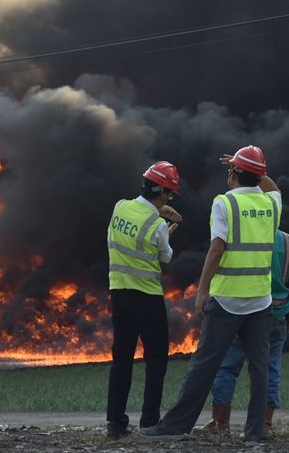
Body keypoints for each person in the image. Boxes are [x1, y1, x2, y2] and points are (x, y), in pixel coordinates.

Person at [140, 145, 281, 444]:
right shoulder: (271, 204)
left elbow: (217, 248)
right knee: (259, 368)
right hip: (260, 300)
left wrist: (202, 291)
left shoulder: (224, 204)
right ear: (257, 175)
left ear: (233, 174)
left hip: (228, 300)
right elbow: (273, 187)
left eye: (231, 171)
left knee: (204, 365)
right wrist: (252, 168)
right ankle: (255, 432)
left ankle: (176, 426)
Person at [106, 161, 183, 439]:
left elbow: (138, 213)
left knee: (122, 359)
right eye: (169, 194)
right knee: (156, 360)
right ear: (162, 192)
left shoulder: (120, 207)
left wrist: (158, 209)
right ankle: (149, 422)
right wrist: (168, 232)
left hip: (119, 294)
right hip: (147, 298)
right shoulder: (158, 226)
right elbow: (165, 258)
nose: (169, 199)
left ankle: (115, 423)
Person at [201, 229, 289, 437]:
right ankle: (264, 424)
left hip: (243, 311)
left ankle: (220, 424)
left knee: (227, 367)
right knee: (270, 368)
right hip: (278, 313)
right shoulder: (287, 240)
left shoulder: (244, 234)